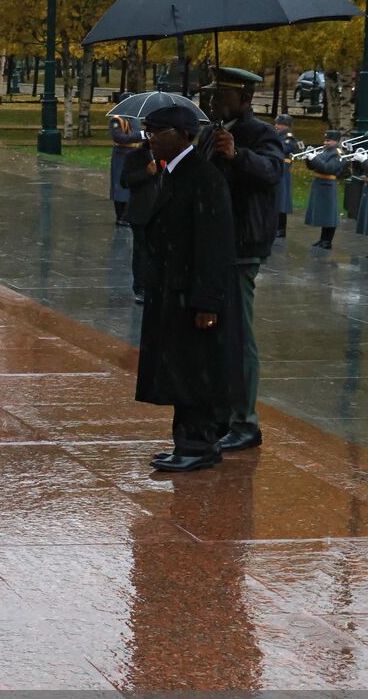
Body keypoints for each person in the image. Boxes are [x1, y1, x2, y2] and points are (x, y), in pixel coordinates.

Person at [137, 103, 239, 473]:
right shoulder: (174, 173)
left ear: (181, 135)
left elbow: (214, 244)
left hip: (193, 294)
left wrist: (207, 302)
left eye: (156, 133)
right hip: (173, 290)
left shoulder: (204, 178)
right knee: (181, 370)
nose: (150, 140)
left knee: (195, 371)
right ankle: (188, 443)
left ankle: (198, 445)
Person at [197, 66, 282, 455]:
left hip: (241, 245)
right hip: (211, 245)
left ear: (244, 99)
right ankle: (220, 414)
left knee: (238, 335)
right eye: (212, 92)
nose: (214, 98)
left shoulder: (258, 133)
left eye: (222, 93)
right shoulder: (207, 131)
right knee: (214, 335)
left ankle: (245, 421)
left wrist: (237, 154)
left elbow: (271, 172)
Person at [120, 129, 159, 303]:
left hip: (162, 211)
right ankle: (141, 286)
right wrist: (146, 172)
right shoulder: (135, 156)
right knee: (142, 250)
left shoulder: (170, 156)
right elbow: (125, 181)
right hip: (141, 211)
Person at [305, 130, 346, 251]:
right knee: (323, 213)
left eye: (328, 140)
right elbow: (312, 166)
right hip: (319, 183)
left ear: (335, 141)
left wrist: (315, 158)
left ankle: (327, 241)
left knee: (329, 214)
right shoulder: (325, 150)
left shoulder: (338, 153)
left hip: (328, 184)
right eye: (325, 140)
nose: (325, 142)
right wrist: (309, 157)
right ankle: (323, 239)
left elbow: (329, 168)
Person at [273, 113, 302, 237]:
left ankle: (281, 228)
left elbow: (283, 149)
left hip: (283, 169)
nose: (276, 126)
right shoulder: (277, 136)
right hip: (276, 167)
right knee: (276, 197)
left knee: (282, 198)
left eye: (278, 124)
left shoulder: (288, 137)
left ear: (285, 125)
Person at [109, 114, 141, 225]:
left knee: (132, 185)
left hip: (134, 155)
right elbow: (118, 137)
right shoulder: (116, 120)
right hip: (121, 155)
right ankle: (121, 216)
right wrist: (140, 135)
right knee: (119, 186)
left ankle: (128, 214)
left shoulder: (136, 120)